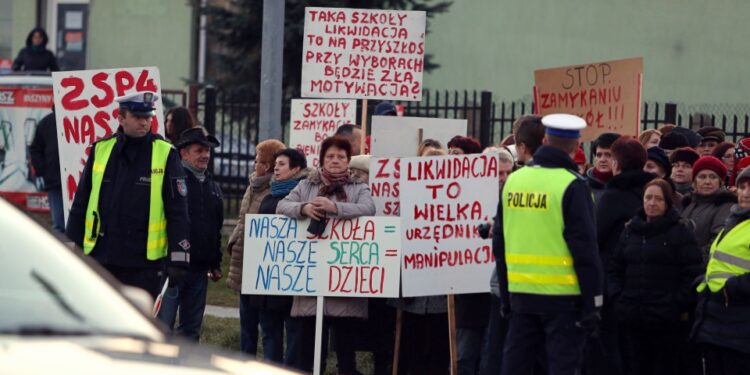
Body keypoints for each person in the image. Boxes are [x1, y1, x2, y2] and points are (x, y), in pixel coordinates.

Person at [495, 114, 603, 375]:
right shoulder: (573, 185)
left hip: (522, 296)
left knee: (515, 367)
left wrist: (506, 294)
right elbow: (586, 250)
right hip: (563, 300)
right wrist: (594, 303)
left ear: (544, 140)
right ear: (577, 147)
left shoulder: (515, 180)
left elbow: (499, 242)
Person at [65, 91, 190, 298]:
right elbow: (81, 203)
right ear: (121, 118)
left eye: (148, 117)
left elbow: (177, 210)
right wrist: (70, 247)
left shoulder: (165, 153)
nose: (145, 122)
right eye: (138, 117)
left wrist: (179, 257)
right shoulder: (101, 150)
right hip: (102, 257)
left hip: (144, 264)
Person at [277, 136, 376, 374]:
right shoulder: (306, 186)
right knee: (309, 355)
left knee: (346, 355)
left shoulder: (358, 187)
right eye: (330, 156)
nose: (335, 161)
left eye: (341, 157)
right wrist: (304, 208)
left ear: (348, 161)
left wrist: (336, 209)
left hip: (344, 284)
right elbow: (282, 205)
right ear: (321, 159)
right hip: (312, 282)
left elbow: (368, 208)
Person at [608, 178, 702, 375]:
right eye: (648, 198)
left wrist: (676, 305)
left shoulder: (680, 232)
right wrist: (619, 299)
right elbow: (615, 268)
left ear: (667, 203)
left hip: (665, 322)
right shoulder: (630, 231)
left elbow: (692, 273)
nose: (652, 203)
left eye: (658, 199)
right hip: (632, 316)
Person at [590, 137, 653, 375]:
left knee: (612, 344)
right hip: (645, 282)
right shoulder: (654, 192)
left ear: (617, 163)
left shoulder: (613, 195)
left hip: (614, 282)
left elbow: (595, 236)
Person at [157, 127, 223, 341]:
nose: (205, 155)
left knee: (190, 332)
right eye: (199, 150)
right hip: (171, 268)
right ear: (183, 153)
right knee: (161, 328)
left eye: (207, 151)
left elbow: (215, 226)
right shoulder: (171, 181)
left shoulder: (212, 185)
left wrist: (215, 262)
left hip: (199, 269)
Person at [226, 138, 285, 355]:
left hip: (263, 268)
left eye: (258, 160)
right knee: (246, 325)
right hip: (244, 263)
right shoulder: (253, 186)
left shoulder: (276, 191)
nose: (254, 164)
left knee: (269, 328)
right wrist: (233, 242)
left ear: (267, 165)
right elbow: (243, 221)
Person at [691, 167, 750, 374]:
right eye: (742, 187)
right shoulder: (735, 222)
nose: (746, 192)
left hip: (740, 325)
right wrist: (703, 281)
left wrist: (730, 288)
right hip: (720, 321)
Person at [253, 148, 308, 366]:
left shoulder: (303, 197)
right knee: (269, 333)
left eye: (282, 164)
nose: (276, 167)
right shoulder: (269, 196)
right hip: (268, 280)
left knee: (293, 333)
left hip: (291, 280)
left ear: (296, 169)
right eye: (275, 163)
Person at [680, 156, 736, 261]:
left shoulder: (726, 206)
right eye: (702, 177)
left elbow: (717, 241)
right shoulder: (688, 204)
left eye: (713, 177)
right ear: (694, 181)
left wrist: (693, 262)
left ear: (721, 182)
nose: (707, 182)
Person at [29, 111, 63, 233]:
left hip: (79, 182)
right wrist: (44, 171)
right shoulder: (46, 122)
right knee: (59, 225)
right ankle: (61, 252)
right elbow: (35, 149)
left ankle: (75, 252)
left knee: (78, 226)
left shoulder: (78, 117)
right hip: (55, 182)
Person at [586, 132, 621, 203]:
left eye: (608, 155)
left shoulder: (628, 187)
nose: (602, 160)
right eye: (599, 155)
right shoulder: (583, 186)